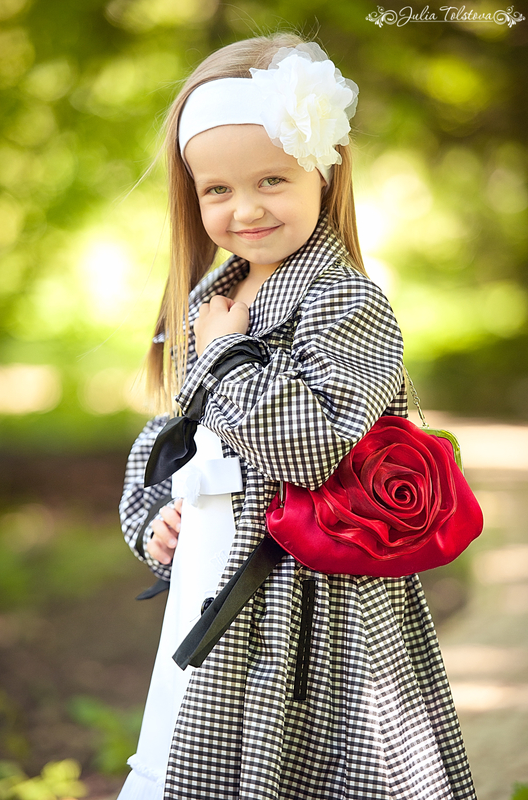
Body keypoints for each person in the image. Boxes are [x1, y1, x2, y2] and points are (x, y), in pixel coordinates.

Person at [118, 32, 476, 800]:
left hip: (306, 597)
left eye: (272, 179)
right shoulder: (214, 296)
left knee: (303, 762)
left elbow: (312, 448)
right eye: (217, 189)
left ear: (324, 170)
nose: (245, 208)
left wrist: (226, 355)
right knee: (198, 749)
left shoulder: (345, 301)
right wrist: (155, 517)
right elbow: (175, 434)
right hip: (213, 569)